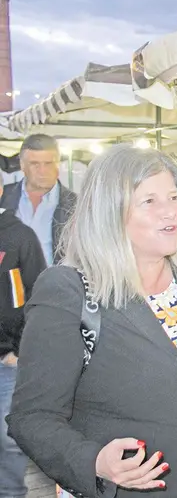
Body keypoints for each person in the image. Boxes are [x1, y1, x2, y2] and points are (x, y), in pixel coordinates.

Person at [7, 146, 177, 497]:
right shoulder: (69, 291)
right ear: (109, 213)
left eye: (174, 197)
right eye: (149, 201)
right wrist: (94, 461)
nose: (171, 210)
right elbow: (31, 417)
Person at [0, 183, 47, 498]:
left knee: (8, 442)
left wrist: (18, 350)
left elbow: (38, 297)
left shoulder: (19, 236)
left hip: (6, 364)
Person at [0, 134, 77, 266]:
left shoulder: (77, 205)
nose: (42, 171)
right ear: (22, 165)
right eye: (35, 164)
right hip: (9, 283)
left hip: (55, 283)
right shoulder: (3, 197)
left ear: (58, 164)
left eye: (48, 163)